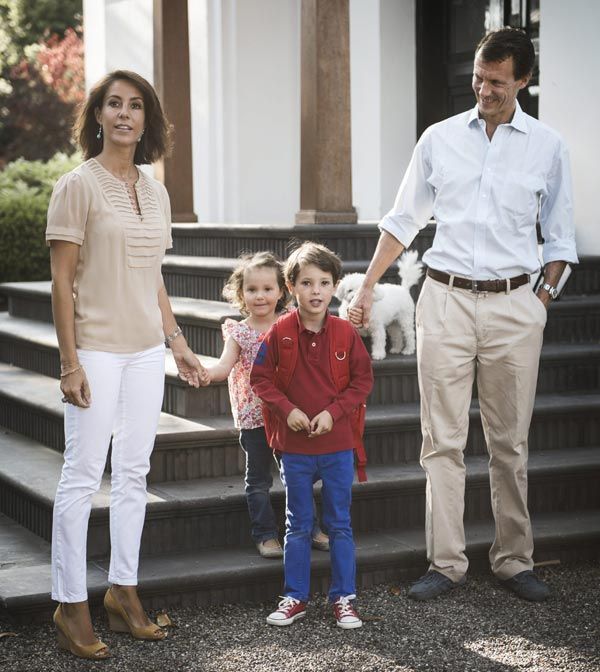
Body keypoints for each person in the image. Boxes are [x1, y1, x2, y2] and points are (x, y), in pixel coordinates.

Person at [348, 28, 577, 603]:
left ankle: (513, 559)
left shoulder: (548, 147)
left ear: (523, 80)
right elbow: (403, 220)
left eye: (497, 82)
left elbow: (562, 241)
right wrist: (368, 287)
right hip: (444, 302)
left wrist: (538, 304)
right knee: (441, 440)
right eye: (479, 77)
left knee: (510, 442)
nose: (484, 89)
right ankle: (445, 564)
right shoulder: (439, 138)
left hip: (514, 307)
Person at [46, 70, 208, 659]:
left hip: (144, 351)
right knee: (83, 476)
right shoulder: (77, 186)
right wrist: (69, 363)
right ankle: (70, 603)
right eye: (113, 104)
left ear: (147, 119)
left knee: (135, 473)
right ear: (97, 116)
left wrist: (176, 340)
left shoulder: (157, 191)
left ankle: (123, 590)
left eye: (135, 105)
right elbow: (62, 283)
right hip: (93, 347)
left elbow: (153, 276)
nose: (124, 114)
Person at [251, 242, 373, 628]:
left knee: (339, 524)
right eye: (307, 282)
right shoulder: (278, 333)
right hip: (296, 449)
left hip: (337, 446)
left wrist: (334, 413)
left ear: (335, 286)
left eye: (324, 282)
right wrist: (289, 411)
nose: (316, 291)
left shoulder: (344, 334)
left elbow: (362, 382)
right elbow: (260, 379)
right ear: (291, 286)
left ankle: (344, 598)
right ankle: (295, 596)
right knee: (298, 524)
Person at [203, 251, 329, 558]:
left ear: (282, 291)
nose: (260, 296)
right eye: (252, 289)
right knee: (258, 479)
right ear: (241, 293)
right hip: (254, 418)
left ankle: (308, 528)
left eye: (267, 289)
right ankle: (264, 534)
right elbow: (223, 367)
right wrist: (204, 374)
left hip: (289, 414)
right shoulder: (240, 331)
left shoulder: (290, 325)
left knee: (297, 475)